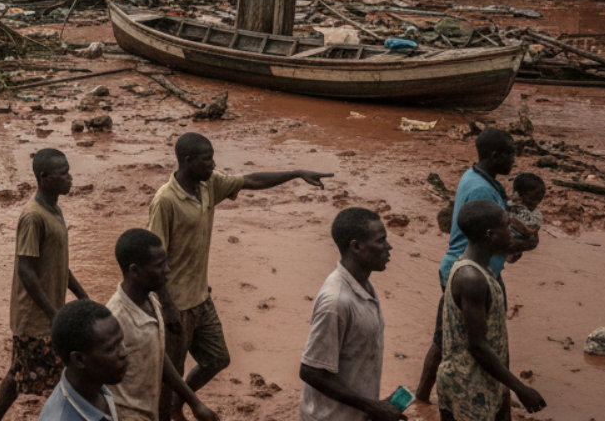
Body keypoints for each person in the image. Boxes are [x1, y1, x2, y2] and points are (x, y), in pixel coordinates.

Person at [149, 132, 331, 420]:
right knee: (170, 375)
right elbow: (152, 259)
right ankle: (167, 413)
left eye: (212, 158)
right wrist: (166, 304)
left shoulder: (209, 185)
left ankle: (177, 406)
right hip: (174, 304)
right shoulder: (165, 201)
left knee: (217, 358)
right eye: (207, 159)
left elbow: (251, 181)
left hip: (200, 297)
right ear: (187, 161)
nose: (213, 164)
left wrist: (297, 173)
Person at [415, 128, 537, 402]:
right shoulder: (483, 188)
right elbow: (492, 236)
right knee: (487, 338)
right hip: (473, 271)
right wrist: (527, 244)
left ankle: (422, 396)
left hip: (464, 264)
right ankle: (499, 396)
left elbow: (492, 232)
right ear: (495, 155)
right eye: (511, 155)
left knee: (444, 334)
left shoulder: (479, 178)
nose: (514, 161)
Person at [0, 148, 89, 421]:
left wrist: (81, 295)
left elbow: (57, 263)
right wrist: (54, 314)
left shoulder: (54, 210)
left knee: (19, 372)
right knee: (61, 380)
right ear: (44, 177)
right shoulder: (33, 217)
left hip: (46, 316)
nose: (70, 178)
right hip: (35, 318)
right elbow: (25, 270)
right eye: (63, 174)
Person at [437, 200, 546, 421]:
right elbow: (478, 346)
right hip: (466, 387)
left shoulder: (480, 269)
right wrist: (520, 388)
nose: (511, 232)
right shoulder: (472, 279)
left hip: (480, 380)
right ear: (491, 235)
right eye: (506, 226)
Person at [299, 208, 404, 421]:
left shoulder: (364, 287)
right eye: (381, 241)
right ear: (356, 247)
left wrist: (372, 406)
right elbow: (310, 371)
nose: (388, 247)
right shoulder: (336, 302)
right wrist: (372, 406)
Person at [104, 229, 217, 421]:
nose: (167, 270)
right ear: (134, 270)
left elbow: (157, 355)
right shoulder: (116, 320)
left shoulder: (152, 301)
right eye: (159, 265)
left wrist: (194, 402)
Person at [37, 300, 128, 421]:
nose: (123, 353)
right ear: (78, 359)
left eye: (120, 342)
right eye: (111, 348)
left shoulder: (95, 388)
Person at [505, 173, 545, 260]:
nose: (535, 203)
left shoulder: (536, 215)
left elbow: (530, 228)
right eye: (532, 198)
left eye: (539, 199)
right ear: (518, 195)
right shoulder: (508, 204)